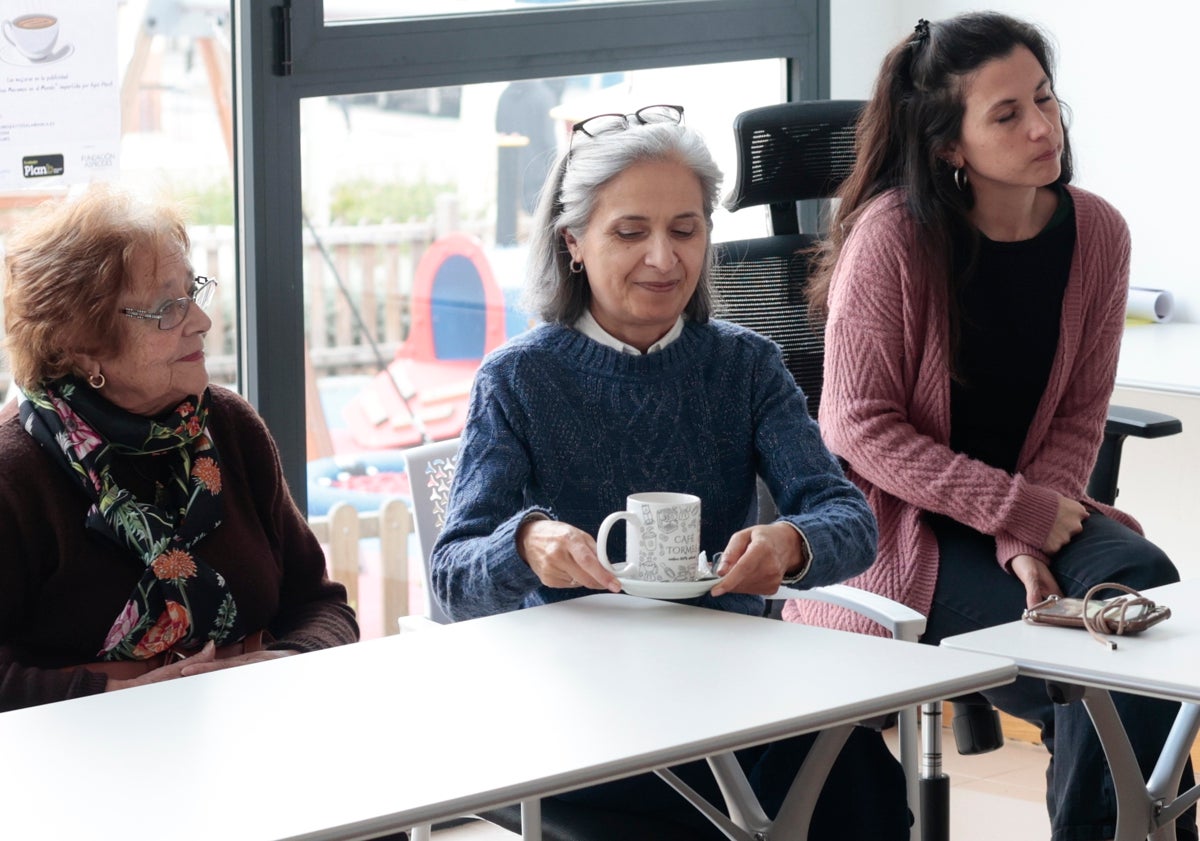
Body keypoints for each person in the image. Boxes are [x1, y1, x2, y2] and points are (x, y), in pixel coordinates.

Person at [431, 106, 908, 839]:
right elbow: (452, 574)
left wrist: (787, 544)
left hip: (734, 693)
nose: (664, 257)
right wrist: (527, 543)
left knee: (854, 769)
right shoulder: (518, 379)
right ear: (573, 244)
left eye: (686, 230)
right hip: (579, 713)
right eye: (630, 232)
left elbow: (850, 521)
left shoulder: (745, 366)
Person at [786, 12, 1196, 841]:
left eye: (1044, 99)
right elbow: (857, 426)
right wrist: (1017, 516)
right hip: (904, 535)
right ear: (950, 146)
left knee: (1138, 587)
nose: (1043, 127)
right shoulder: (892, 238)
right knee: (1100, 665)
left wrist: (1024, 533)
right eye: (1006, 114)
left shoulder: (1097, 233)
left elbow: (1079, 418)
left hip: (1032, 514)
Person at [0, 184, 359, 713]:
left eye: (193, 292)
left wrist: (287, 663)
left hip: (255, 729)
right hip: (89, 764)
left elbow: (322, 604)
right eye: (167, 308)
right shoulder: (17, 477)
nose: (201, 322)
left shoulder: (231, 429)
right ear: (82, 345)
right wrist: (118, 699)